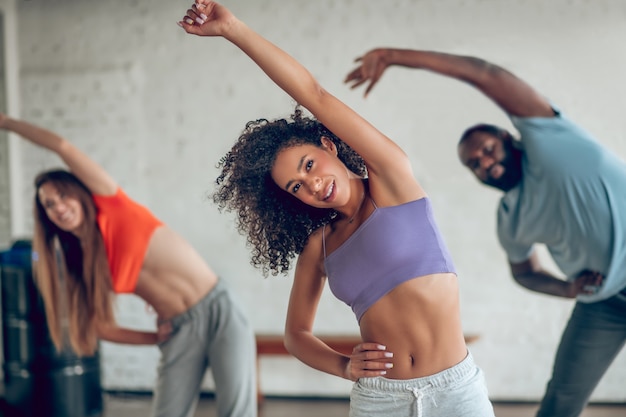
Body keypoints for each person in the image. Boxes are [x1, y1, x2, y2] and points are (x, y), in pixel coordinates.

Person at [178, 3, 495, 416]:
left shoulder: (392, 179)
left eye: (309, 165)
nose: (311, 184)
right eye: (297, 186)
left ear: (328, 145)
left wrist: (234, 29)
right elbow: (296, 334)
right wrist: (345, 366)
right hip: (380, 400)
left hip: (455, 391)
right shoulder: (320, 246)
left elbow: (314, 94)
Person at [345, 48, 626, 417]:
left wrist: (394, 56)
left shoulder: (552, 142)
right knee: (561, 399)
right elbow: (524, 271)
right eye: (475, 164)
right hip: (604, 303)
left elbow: (485, 74)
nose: (486, 164)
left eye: (489, 150)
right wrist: (568, 289)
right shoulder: (511, 217)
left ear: (511, 139)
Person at [0, 113, 257, 417]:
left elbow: (63, 146)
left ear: (79, 194)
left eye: (62, 195)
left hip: (219, 308)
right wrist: (152, 338)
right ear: (46, 217)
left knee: (237, 413)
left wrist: (6, 123)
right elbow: (97, 326)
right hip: (178, 328)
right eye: (49, 204)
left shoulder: (112, 205)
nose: (59, 207)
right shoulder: (76, 261)